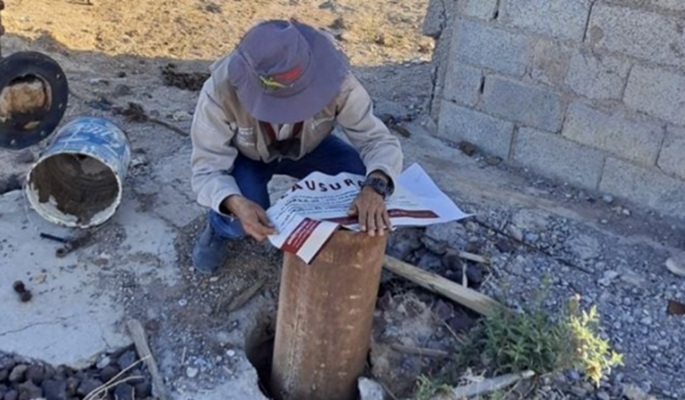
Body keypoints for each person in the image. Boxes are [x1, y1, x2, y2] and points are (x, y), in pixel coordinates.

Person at [189, 19, 403, 275]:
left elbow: (377, 140)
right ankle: (220, 229)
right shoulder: (221, 89)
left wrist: (375, 186)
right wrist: (234, 203)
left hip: (312, 148)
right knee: (237, 219)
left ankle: (334, 235)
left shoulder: (337, 80)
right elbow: (207, 169)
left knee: (357, 178)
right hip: (248, 156)